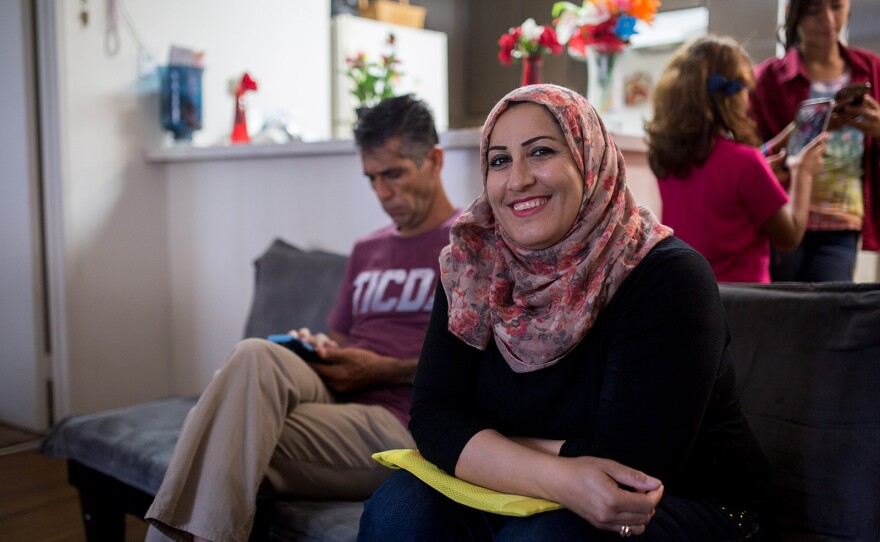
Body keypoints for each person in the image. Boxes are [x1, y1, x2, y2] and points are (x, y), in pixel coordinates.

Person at [358, 84, 775, 541]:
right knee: (401, 506)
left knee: (549, 535)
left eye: (540, 152)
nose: (517, 179)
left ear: (588, 158)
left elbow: (628, 468)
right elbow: (433, 417)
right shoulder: (472, 265)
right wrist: (558, 474)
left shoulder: (668, 277)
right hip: (536, 490)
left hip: (681, 502)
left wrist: (483, 444)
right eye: (499, 160)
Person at [145, 94, 459, 542]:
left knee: (215, 437)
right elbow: (341, 339)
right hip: (338, 395)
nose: (382, 193)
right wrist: (322, 348)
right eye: (371, 178)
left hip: (400, 421)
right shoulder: (367, 248)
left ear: (434, 160)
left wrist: (385, 369)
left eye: (394, 174)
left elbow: (482, 363)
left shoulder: (469, 243)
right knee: (257, 352)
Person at [647, 35, 826, 283]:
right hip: (745, 302)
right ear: (733, 95)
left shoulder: (667, 159)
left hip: (690, 292)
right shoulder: (747, 163)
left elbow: (721, 192)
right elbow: (790, 236)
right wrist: (803, 173)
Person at [751, 0, 880, 282]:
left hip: (842, 219)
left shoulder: (871, 69)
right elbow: (751, 161)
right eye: (814, 10)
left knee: (830, 315)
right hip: (781, 216)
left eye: (837, 6)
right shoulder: (765, 79)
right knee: (781, 313)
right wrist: (811, 127)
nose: (828, 19)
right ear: (793, 13)